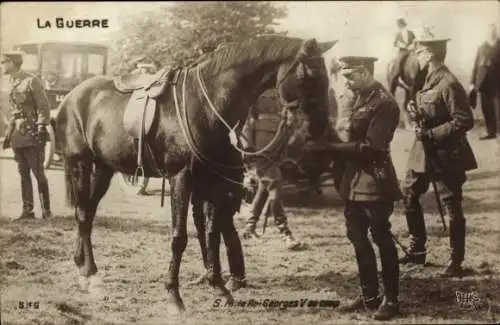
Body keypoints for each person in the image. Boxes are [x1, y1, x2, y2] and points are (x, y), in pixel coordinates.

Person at [308, 56, 403, 320]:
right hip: (353, 181)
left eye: (350, 76)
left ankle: (392, 300)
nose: (346, 82)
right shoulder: (360, 98)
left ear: (364, 72)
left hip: (375, 180)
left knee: (382, 239)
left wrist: (330, 149)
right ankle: (369, 295)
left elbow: (371, 147)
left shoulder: (384, 104)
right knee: (357, 237)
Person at [399, 28, 478, 278]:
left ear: (430, 53)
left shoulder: (449, 83)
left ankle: (455, 261)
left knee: (451, 204)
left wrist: (432, 134)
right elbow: (430, 109)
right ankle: (417, 249)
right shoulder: (427, 79)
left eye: (419, 51)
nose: (416, 56)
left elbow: (464, 120)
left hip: (447, 153)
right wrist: (415, 111)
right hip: (423, 152)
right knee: (409, 194)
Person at [240, 104, 302, 251]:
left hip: (275, 155)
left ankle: (250, 227)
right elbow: (247, 121)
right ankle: (285, 233)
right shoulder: (258, 97)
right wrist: (248, 150)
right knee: (274, 190)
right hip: (261, 155)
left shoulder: (282, 98)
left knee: (264, 188)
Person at [1, 51, 52, 220]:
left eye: (4, 62)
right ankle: (27, 211)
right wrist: (8, 134)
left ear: (14, 63)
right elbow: (13, 112)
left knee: (38, 173)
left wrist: (41, 127)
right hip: (17, 133)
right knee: (23, 173)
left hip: (32, 134)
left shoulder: (32, 81)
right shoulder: (11, 82)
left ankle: (46, 211)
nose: (2, 65)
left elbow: (44, 106)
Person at [470, 23, 500, 140]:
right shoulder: (482, 47)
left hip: (497, 82)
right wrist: (472, 82)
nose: (491, 33)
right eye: (489, 31)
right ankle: (490, 132)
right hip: (483, 83)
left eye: (493, 30)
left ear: (496, 32)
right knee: (486, 108)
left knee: (498, 108)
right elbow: (476, 66)